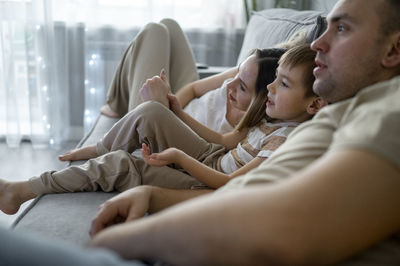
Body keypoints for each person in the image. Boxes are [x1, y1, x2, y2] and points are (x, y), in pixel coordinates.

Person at [82, 0, 398, 265]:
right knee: (160, 28)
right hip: (191, 230)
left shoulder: (388, 115)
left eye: (342, 28)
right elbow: (243, 190)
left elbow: (281, 230)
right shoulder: (336, 113)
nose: (317, 43)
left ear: (393, 49)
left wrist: (114, 244)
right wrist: (152, 195)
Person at [0, 45, 326, 214]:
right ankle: (100, 145)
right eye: (273, 80)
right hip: (215, 156)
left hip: (209, 184)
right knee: (152, 112)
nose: (270, 89)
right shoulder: (272, 116)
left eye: (281, 84)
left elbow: (229, 183)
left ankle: (24, 190)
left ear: (314, 105)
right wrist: (177, 112)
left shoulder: (286, 140)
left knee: (125, 165)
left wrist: (178, 157)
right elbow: (226, 141)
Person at [100, 18, 304, 134]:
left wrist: (162, 112)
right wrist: (171, 103)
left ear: (264, 98)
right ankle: (118, 102)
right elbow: (194, 88)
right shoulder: (247, 73)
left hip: (165, 123)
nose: (231, 85)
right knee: (167, 25)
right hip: (177, 103)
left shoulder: (253, 126)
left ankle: (117, 103)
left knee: (154, 31)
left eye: (241, 87)